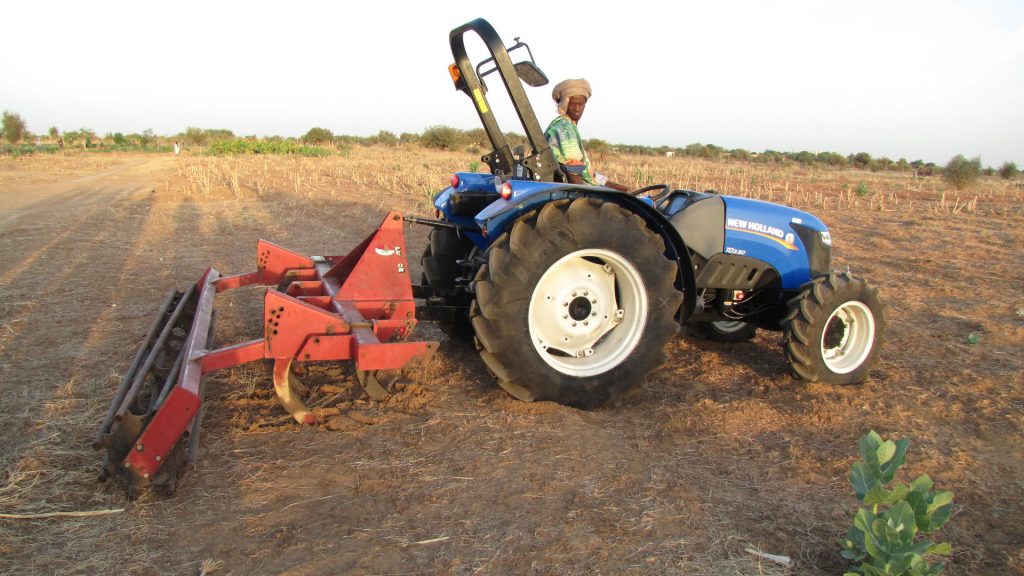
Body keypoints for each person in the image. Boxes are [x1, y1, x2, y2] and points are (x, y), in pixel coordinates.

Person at [544, 78, 629, 192]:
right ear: (565, 104)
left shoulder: (564, 125)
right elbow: (574, 171)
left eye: (581, 104)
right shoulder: (565, 129)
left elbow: (589, 175)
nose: (577, 109)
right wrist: (582, 198)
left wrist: (615, 187)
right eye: (573, 104)